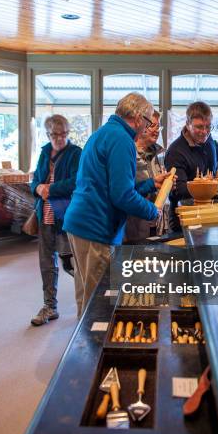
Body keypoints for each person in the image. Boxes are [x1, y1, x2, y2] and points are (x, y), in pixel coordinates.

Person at [63, 93, 170, 318]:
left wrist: (151, 183)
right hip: (95, 228)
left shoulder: (103, 133)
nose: (149, 128)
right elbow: (122, 196)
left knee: (86, 298)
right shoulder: (122, 140)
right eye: (149, 122)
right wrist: (153, 210)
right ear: (139, 118)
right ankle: (93, 350)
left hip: (79, 224)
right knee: (100, 304)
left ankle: (83, 348)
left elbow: (114, 188)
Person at [30, 115, 82, 326]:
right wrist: (37, 188)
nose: (59, 138)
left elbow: (77, 181)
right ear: (48, 134)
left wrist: (50, 189)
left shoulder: (76, 153)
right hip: (46, 215)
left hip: (66, 215)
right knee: (46, 263)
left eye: (63, 134)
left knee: (72, 263)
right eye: (55, 135)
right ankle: (49, 306)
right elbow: (35, 179)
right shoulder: (44, 152)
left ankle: (91, 302)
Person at [165, 101, 218, 230]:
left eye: (208, 127)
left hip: (208, 213)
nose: (204, 132)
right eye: (199, 127)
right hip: (183, 219)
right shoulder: (175, 151)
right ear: (187, 124)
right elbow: (180, 189)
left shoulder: (210, 142)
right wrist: (212, 186)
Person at [125, 110, 169, 243]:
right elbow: (125, 193)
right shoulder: (128, 154)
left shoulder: (158, 154)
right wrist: (151, 185)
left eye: (158, 126)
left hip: (156, 223)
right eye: (152, 126)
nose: (156, 131)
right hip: (133, 227)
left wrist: (167, 185)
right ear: (141, 125)